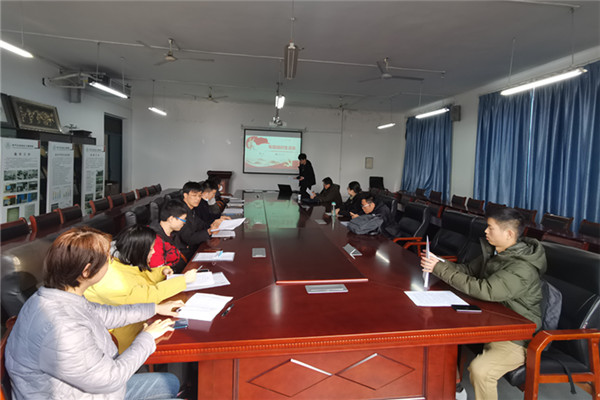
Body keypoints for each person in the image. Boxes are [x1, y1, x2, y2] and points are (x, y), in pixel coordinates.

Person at [5, 227, 183, 400]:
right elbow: (110, 379)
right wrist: (147, 338)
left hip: (92, 389)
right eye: (107, 260)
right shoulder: (63, 328)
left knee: (170, 382)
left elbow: (107, 314)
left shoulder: (56, 297)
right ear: (87, 271)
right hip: (95, 390)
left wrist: (155, 308)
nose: (111, 263)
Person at [420, 207, 547, 400]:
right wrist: (439, 263)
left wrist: (440, 269)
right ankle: (453, 388)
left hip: (518, 336)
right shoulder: (498, 253)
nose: (485, 231)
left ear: (509, 233)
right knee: (440, 333)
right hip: (493, 321)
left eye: (490, 228)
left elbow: (485, 290)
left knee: (481, 371)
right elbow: (468, 270)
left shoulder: (522, 267)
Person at [85, 225, 197, 352]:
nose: (153, 252)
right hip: (123, 338)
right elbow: (148, 295)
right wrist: (183, 280)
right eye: (150, 249)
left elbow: (140, 276)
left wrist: (162, 271)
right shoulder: (111, 279)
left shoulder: (116, 262)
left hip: (138, 321)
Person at [175, 181, 222, 260]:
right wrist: (209, 232)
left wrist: (215, 223)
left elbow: (202, 225)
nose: (198, 199)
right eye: (194, 195)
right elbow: (189, 239)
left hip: (195, 246)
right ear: (185, 195)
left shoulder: (191, 209)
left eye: (200, 196)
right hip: (185, 253)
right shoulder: (181, 212)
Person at [149, 199, 189, 273]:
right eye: (183, 220)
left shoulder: (172, 233)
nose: (184, 223)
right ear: (171, 219)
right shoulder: (155, 239)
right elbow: (157, 270)